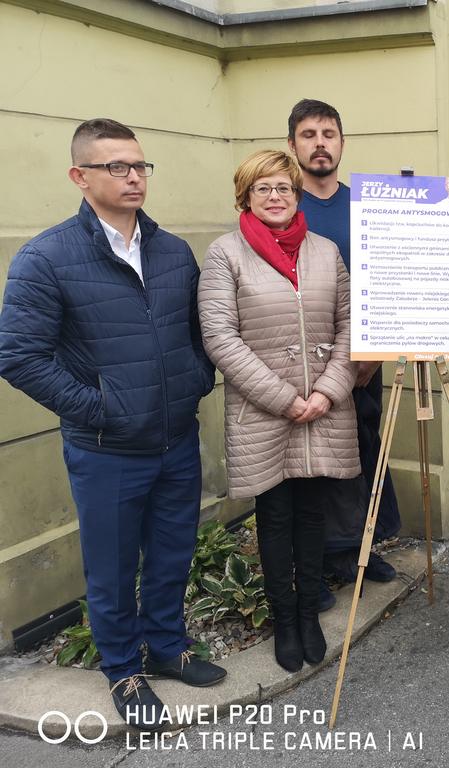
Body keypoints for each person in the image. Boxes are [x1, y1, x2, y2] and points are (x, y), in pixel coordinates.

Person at [0, 118, 225, 729]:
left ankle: (167, 646)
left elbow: (198, 335)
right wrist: (100, 409)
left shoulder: (173, 251)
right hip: (106, 451)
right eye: (116, 167)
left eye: (140, 166)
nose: (133, 176)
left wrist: (194, 385)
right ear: (80, 176)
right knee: (112, 567)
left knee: (174, 553)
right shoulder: (47, 257)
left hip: (176, 440)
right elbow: (18, 356)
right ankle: (123, 669)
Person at [198, 150, 360, 674]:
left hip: (322, 410)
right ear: (246, 195)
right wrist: (284, 398)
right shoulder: (226, 254)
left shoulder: (325, 250)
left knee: (312, 515)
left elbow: (349, 325)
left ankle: (310, 612)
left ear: (297, 195)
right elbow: (220, 337)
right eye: (263, 188)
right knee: (274, 520)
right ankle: (284, 619)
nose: (275, 197)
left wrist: (328, 392)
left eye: (284, 188)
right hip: (265, 414)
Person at [286, 99, 397, 602]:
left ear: (342, 143)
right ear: (294, 145)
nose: (320, 143)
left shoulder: (367, 206)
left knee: (364, 454)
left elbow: (386, 282)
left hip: (365, 361)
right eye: (308, 134)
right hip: (307, 364)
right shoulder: (284, 208)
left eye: (328, 133)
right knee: (317, 464)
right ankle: (323, 558)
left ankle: (361, 546)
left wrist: (373, 356)